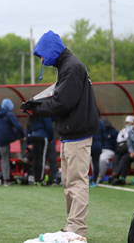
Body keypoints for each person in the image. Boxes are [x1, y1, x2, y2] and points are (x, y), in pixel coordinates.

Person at [21, 30, 99, 237]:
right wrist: (35, 105)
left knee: (76, 182)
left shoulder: (72, 67)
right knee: (69, 182)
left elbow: (62, 102)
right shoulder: (68, 66)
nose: (43, 60)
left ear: (51, 49)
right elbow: (61, 98)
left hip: (77, 133)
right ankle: (71, 227)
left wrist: (35, 109)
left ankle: (76, 229)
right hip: (71, 132)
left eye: (43, 55)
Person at [0, 98, 25, 187]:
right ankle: (22, 155)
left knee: (4, 159)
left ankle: (6, 180)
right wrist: (22, 135)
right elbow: (18, 125)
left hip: (0, 139)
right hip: (10, 136)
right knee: (24, 139)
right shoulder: (9, 113)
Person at [26, 116, 54, 186]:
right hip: (43, 136)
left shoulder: (32, 114)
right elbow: (49, 126)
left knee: (36, 158)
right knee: (42, 158)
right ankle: (41, 179)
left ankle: (36, 178)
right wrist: (50, 137)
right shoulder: (44, 113)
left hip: (34, 136)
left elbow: (28, 126)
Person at [109, 116, 134, 185]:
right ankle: (114, 176)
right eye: (127, 123)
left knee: (124, 158)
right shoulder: (122, 131)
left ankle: (115, 174)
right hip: (122, 150)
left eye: (130, 123)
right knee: (116, 157)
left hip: (130, 151)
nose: (128, 124)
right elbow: (119, 141)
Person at [97, 118, 118, 183]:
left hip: (109, 150)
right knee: (91, 157)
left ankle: (99, 177)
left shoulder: (114, 132)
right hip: (99, 149)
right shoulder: (97, 131)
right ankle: (94, 176)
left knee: (102, 159)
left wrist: (116, 152)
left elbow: (116, 144)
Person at [89, 116, 105, 187]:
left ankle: (84, 180)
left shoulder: (87, 121)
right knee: (96, 163)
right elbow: (104, 135)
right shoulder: (100, 123)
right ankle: (94, 181)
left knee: (84, 163)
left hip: (88, 144)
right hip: (97, 145)